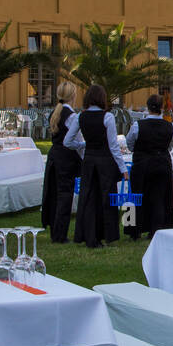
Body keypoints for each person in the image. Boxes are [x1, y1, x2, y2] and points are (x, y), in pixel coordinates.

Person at [64, 84, 128, 248]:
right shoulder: (107, 117)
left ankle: (89, 236)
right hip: (105, 162)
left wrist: (83, 145)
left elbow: (67, 141)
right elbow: (113, 146)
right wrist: (123, 168)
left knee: (88, 199)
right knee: (105, 200)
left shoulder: (80, 116)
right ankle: (105, 235)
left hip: (89, 161)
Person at [125, 93, 173, 240]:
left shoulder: (137, 125)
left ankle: (134, 231)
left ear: (147, 107)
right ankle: (157, 229)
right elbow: (170, 145)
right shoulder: (170, 126)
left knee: (137, 197)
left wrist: (141, 150)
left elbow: (130, 144)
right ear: (162, 108)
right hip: (161, 164)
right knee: (159, 198)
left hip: (142, 164)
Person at [41, 80, 79, 242]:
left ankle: (54, 231)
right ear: (73, 96)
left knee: (53, 194)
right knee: (65, 195)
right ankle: (60, 234)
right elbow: (75, 140)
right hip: (66, 158)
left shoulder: (54, 113)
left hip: (54, 156)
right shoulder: (71, 116)